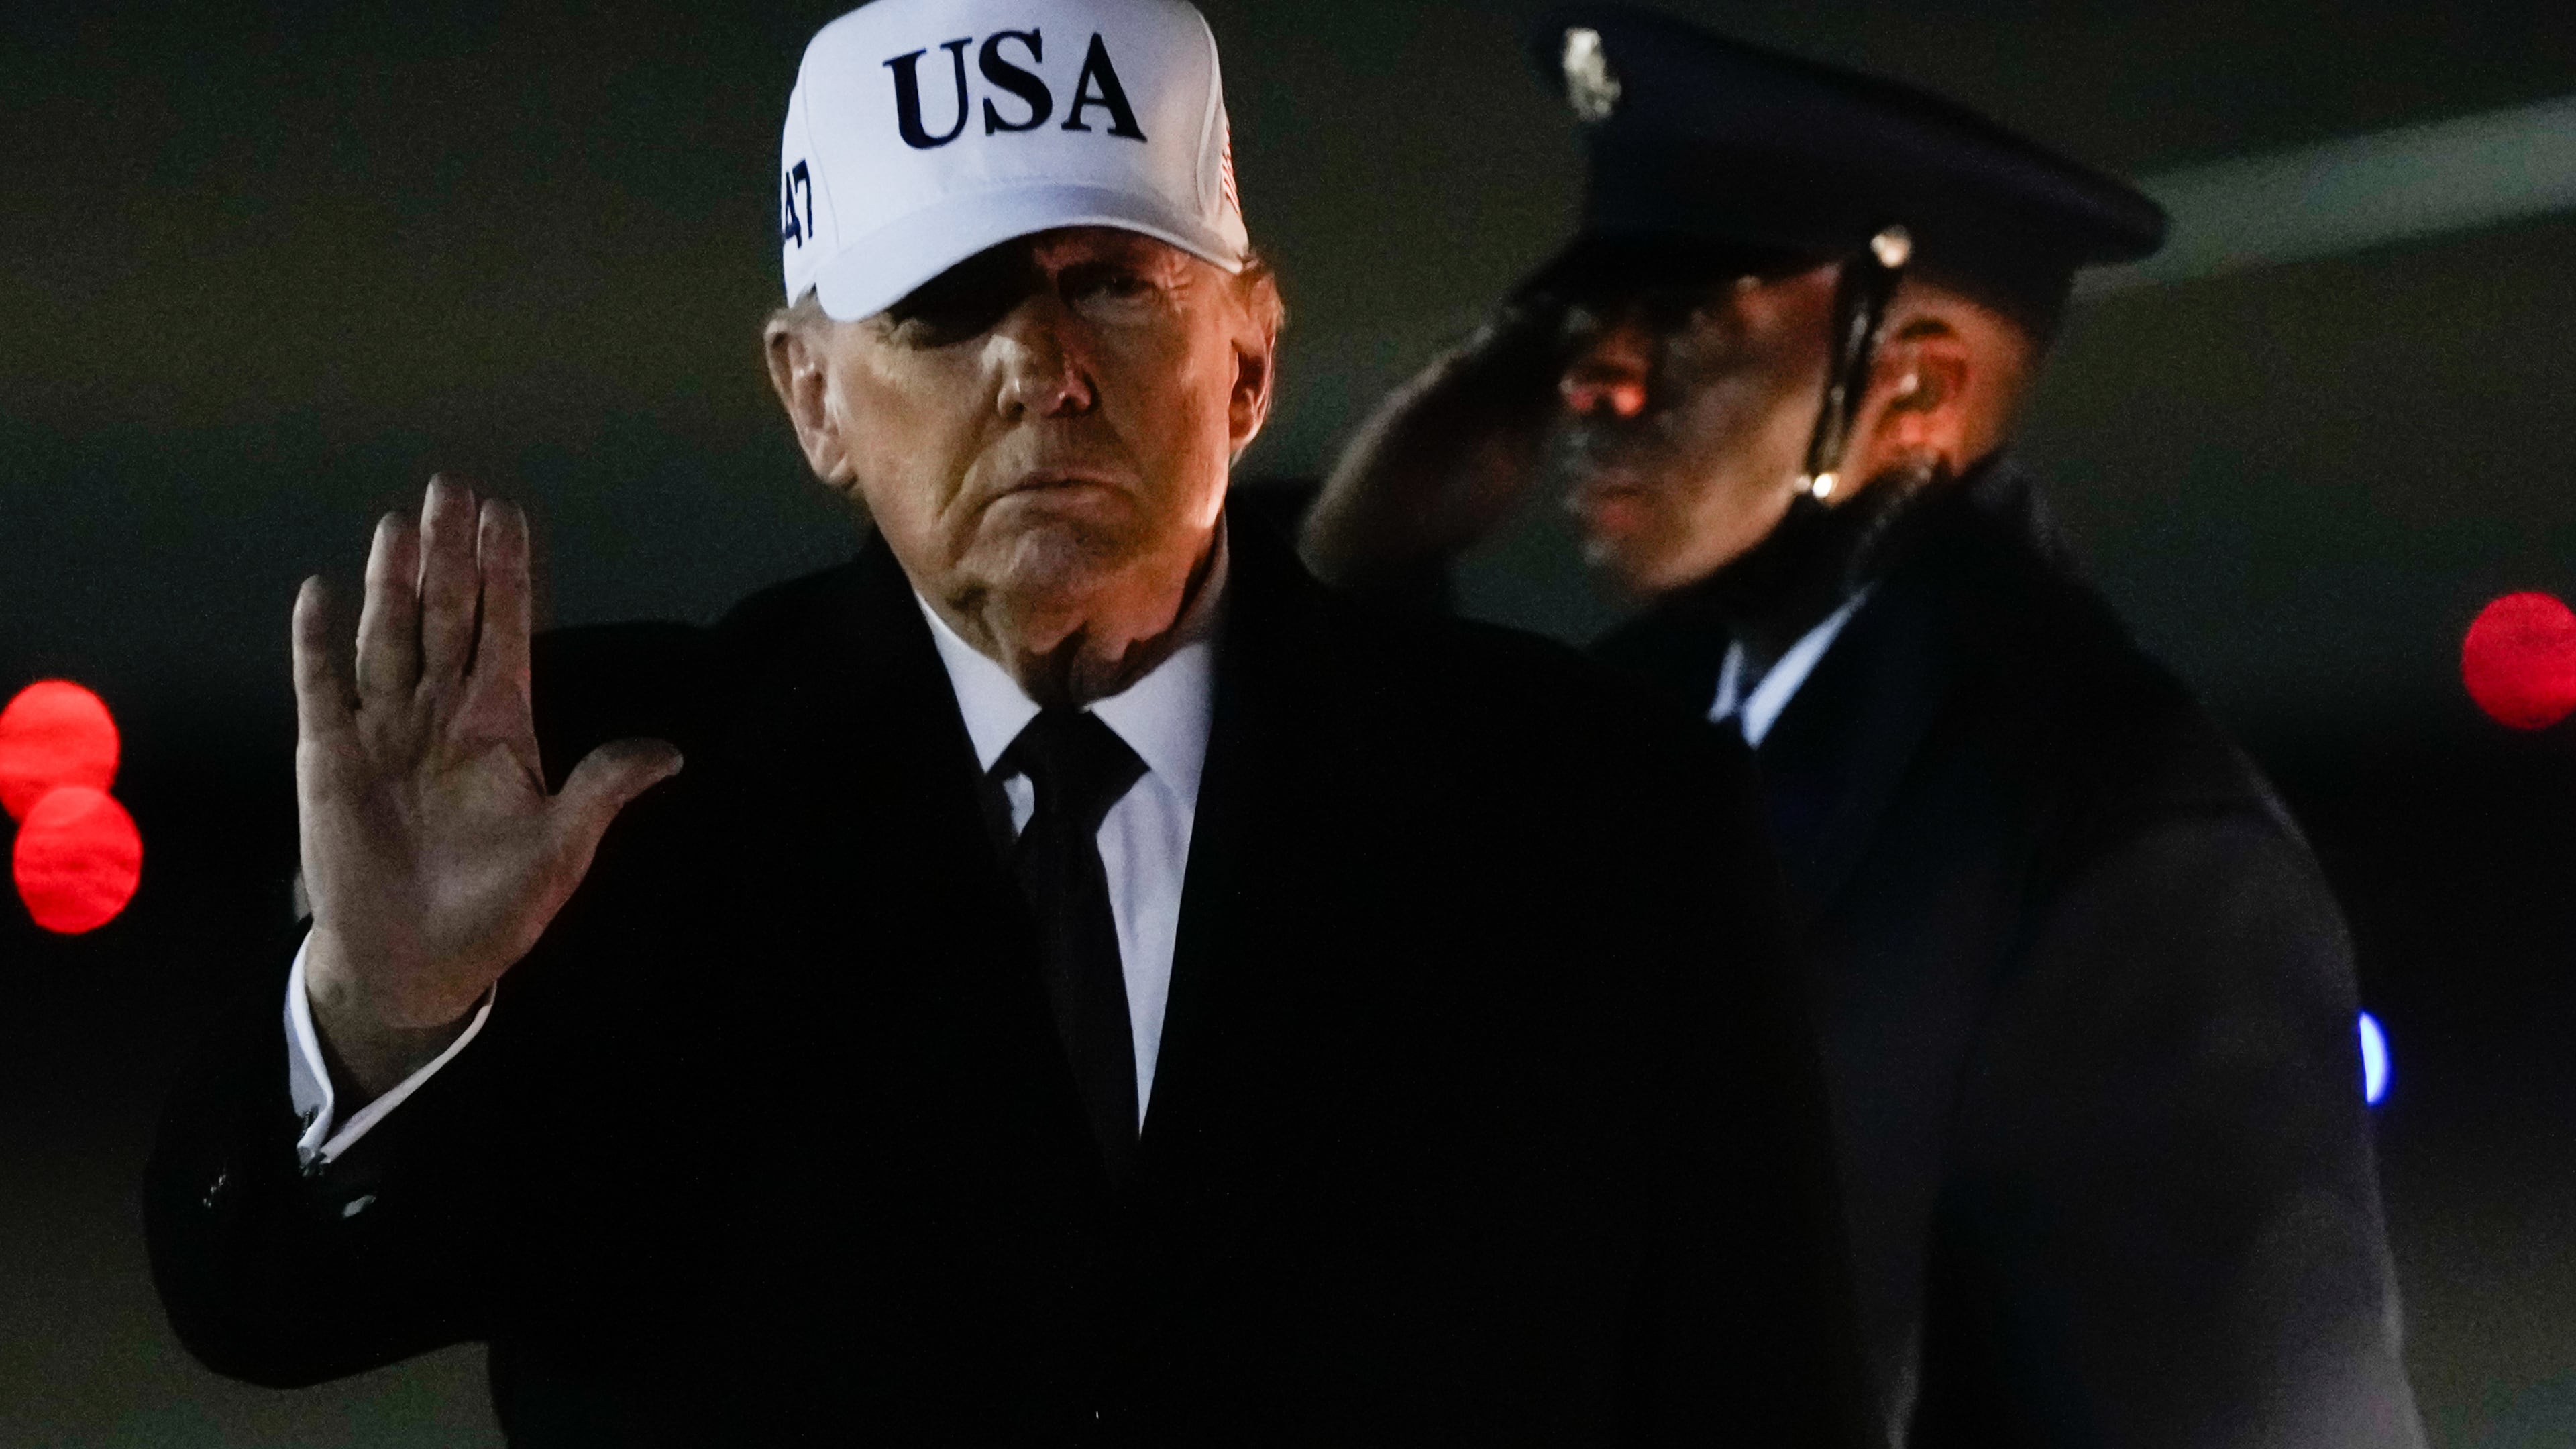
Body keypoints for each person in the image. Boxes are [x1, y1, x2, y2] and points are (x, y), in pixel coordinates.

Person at [143, 0, 1859, 1442]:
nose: (1043, 369)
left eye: (1111, 282)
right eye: (946, 307)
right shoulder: (594, 806)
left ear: (1247, 363)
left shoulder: (1598, 819)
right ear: (813, 396)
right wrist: (384, 1019)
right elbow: (269, 1308)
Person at [1304, 9, 2427, 1448]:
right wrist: (1362, 576)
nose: (1595, 380)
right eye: (1587, 323)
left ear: (1915, 386)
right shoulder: (1643, 728)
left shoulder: (2113, 841)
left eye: (1686, 322)